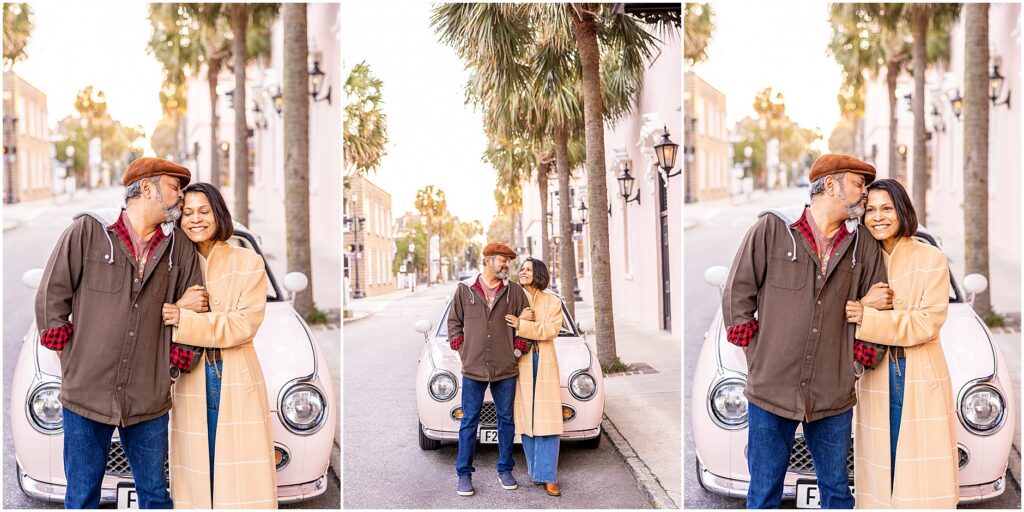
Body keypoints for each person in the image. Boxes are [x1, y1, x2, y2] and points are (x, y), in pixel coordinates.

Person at [35, 157, 203, 509]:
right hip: (85, 395)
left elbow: (197, 311)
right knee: (81, 497)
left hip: (148, 399)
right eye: (175, 187)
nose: (181, 196)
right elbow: (51, 296)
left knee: (155, 497)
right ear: (147, 188)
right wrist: (71, 358)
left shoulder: (180, 247)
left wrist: (172, 367)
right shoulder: (88, 231)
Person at [722, 154, 887, 509]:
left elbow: (881, 304)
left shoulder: (863, 244)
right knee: (763, 492)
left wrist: (857, 364)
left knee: (837, 492)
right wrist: (756, 354)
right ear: (830, 185)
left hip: (833, 392)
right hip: (770, 389)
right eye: (859, 184)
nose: (865, 193)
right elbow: (737, 293)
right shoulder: (773, 228)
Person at [162, 183, 277, 508]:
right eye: (187, 213)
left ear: (218, 214)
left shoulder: (248, 261)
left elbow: (243, 325)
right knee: (197, 479)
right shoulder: (171, 265)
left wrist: (182, 320)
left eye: (204, 211)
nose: (195, 219)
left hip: (234, 375)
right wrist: (179, 308)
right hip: (188, 378)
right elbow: (152, 318)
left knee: (238, 482)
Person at [846, 179, 958, 508]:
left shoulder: (931, 258)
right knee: (881, 471)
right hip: (874, 373)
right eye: (870, 210)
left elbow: (926, 323)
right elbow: (839, 314)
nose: (878, 217)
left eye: (887, 208)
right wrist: (862, 307)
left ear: (902, 210)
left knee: (920, 476)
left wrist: (866, 318)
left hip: (917, 372)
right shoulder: (858, 260)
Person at [447, 242, 530, 497]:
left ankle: (505, 469)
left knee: (506, 420)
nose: (506, 265)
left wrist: (517, 350)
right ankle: (464, 474)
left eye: (508, 261)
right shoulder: (465, 289)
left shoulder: (514, 291)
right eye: (502, 260)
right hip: (473, 369)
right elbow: (454, 323)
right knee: (469, 421)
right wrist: (463, 350)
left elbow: (527, 323)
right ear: (488, 260)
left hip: (505, 368)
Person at [507, 258, 564, 497]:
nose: (523, 272)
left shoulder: (553, 301)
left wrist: (522, 325)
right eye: (522, 269)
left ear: (538, 273)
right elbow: (503, 329)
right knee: (527, 419)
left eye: (529, 269)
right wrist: (519, 323)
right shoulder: (511, 299)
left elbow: (551, 330)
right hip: (520, 362)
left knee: (547, 420)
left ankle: (549, 477)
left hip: (544, 362)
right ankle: (536, 472)